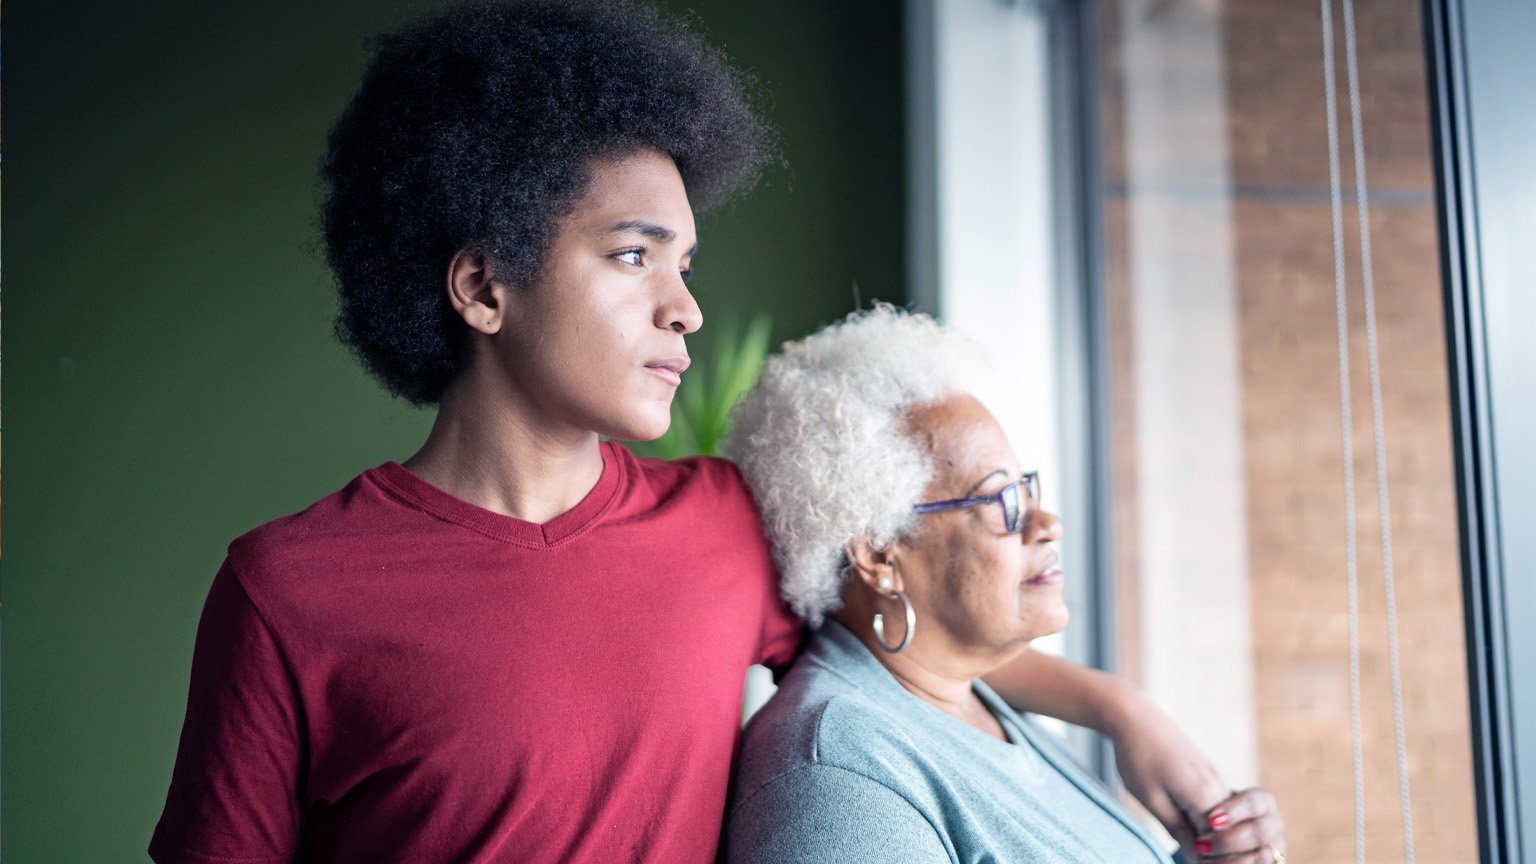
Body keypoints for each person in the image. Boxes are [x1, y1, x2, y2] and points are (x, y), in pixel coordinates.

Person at [152, 2, 1261, 863]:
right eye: (634, 257)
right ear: (484, 286)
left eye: (686, 265)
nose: (684, 309)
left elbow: (917, 634)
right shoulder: (288, 592)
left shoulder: (722, 529)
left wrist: (1122, 712)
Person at [724, 306, 1288, 863]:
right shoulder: (841, 788)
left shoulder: (967, 700)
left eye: (1027, 488)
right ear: (878, 553)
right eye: (1002, 500)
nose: (1047, 525)